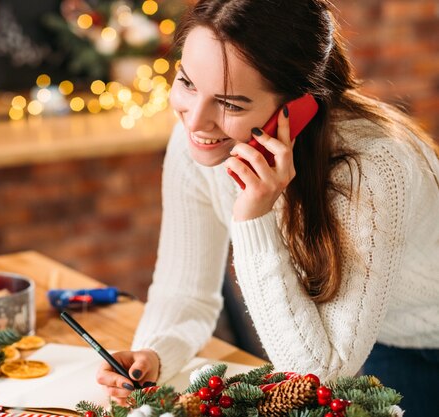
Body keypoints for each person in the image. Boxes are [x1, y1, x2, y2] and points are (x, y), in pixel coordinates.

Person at [95, 0, 439, 415]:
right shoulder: (197, 145)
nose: (195, 122)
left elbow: (314, 376)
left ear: (300, 107)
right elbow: (184, 291)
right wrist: (154, 352)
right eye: (187, 83)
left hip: (423, 340)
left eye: (231, 104)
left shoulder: (374, 169)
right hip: (361, 337)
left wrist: (253, 216)